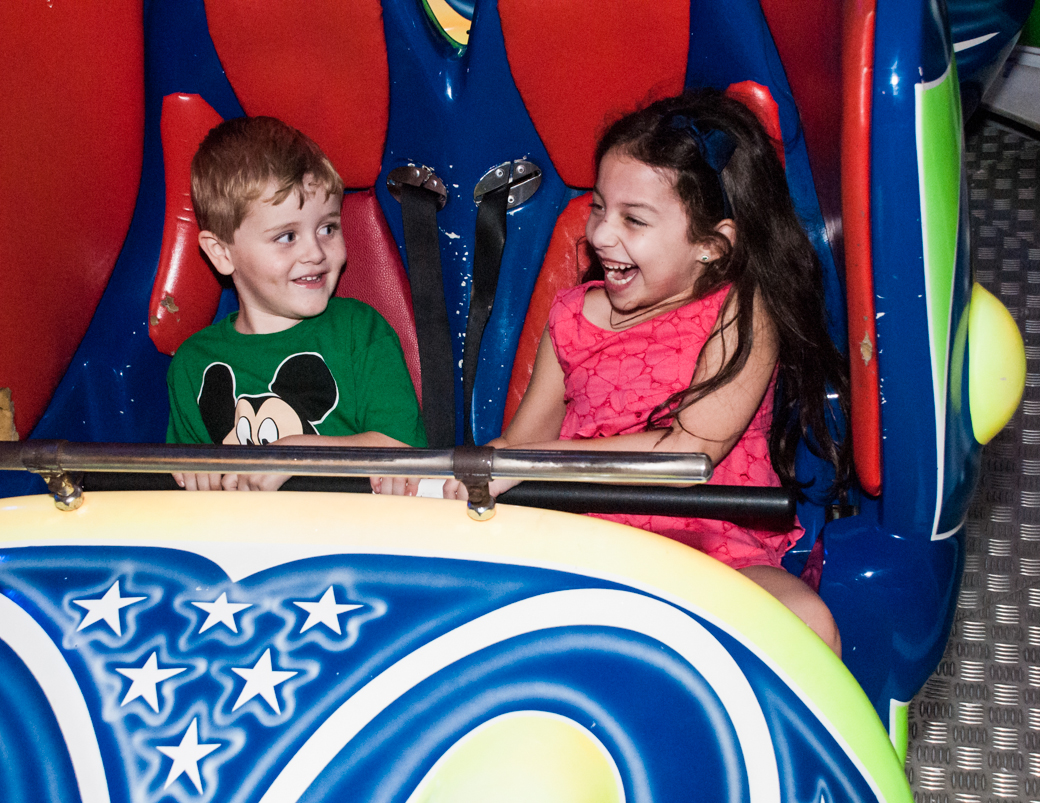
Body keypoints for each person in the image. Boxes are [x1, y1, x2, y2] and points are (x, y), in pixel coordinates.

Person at [379, 90, 850, 654]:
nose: (601, 235)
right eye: (599, 206)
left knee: (806, 622)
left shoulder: (742, 311)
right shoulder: (573, 316)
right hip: (584, 541)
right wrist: (445, 480)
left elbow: (688, 455)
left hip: (711, 550)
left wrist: (519, 464)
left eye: (634, 219)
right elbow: (522, 444)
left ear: (711, 245)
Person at [167, 116, 426, 490]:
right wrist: (193, 475)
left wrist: (301, 452)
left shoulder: (359, 331)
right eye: (287, 236)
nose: (316, 252)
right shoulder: (192, 365)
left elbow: (403, 453)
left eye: (328, 228)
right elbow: (179, 482)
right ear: (221, 253)